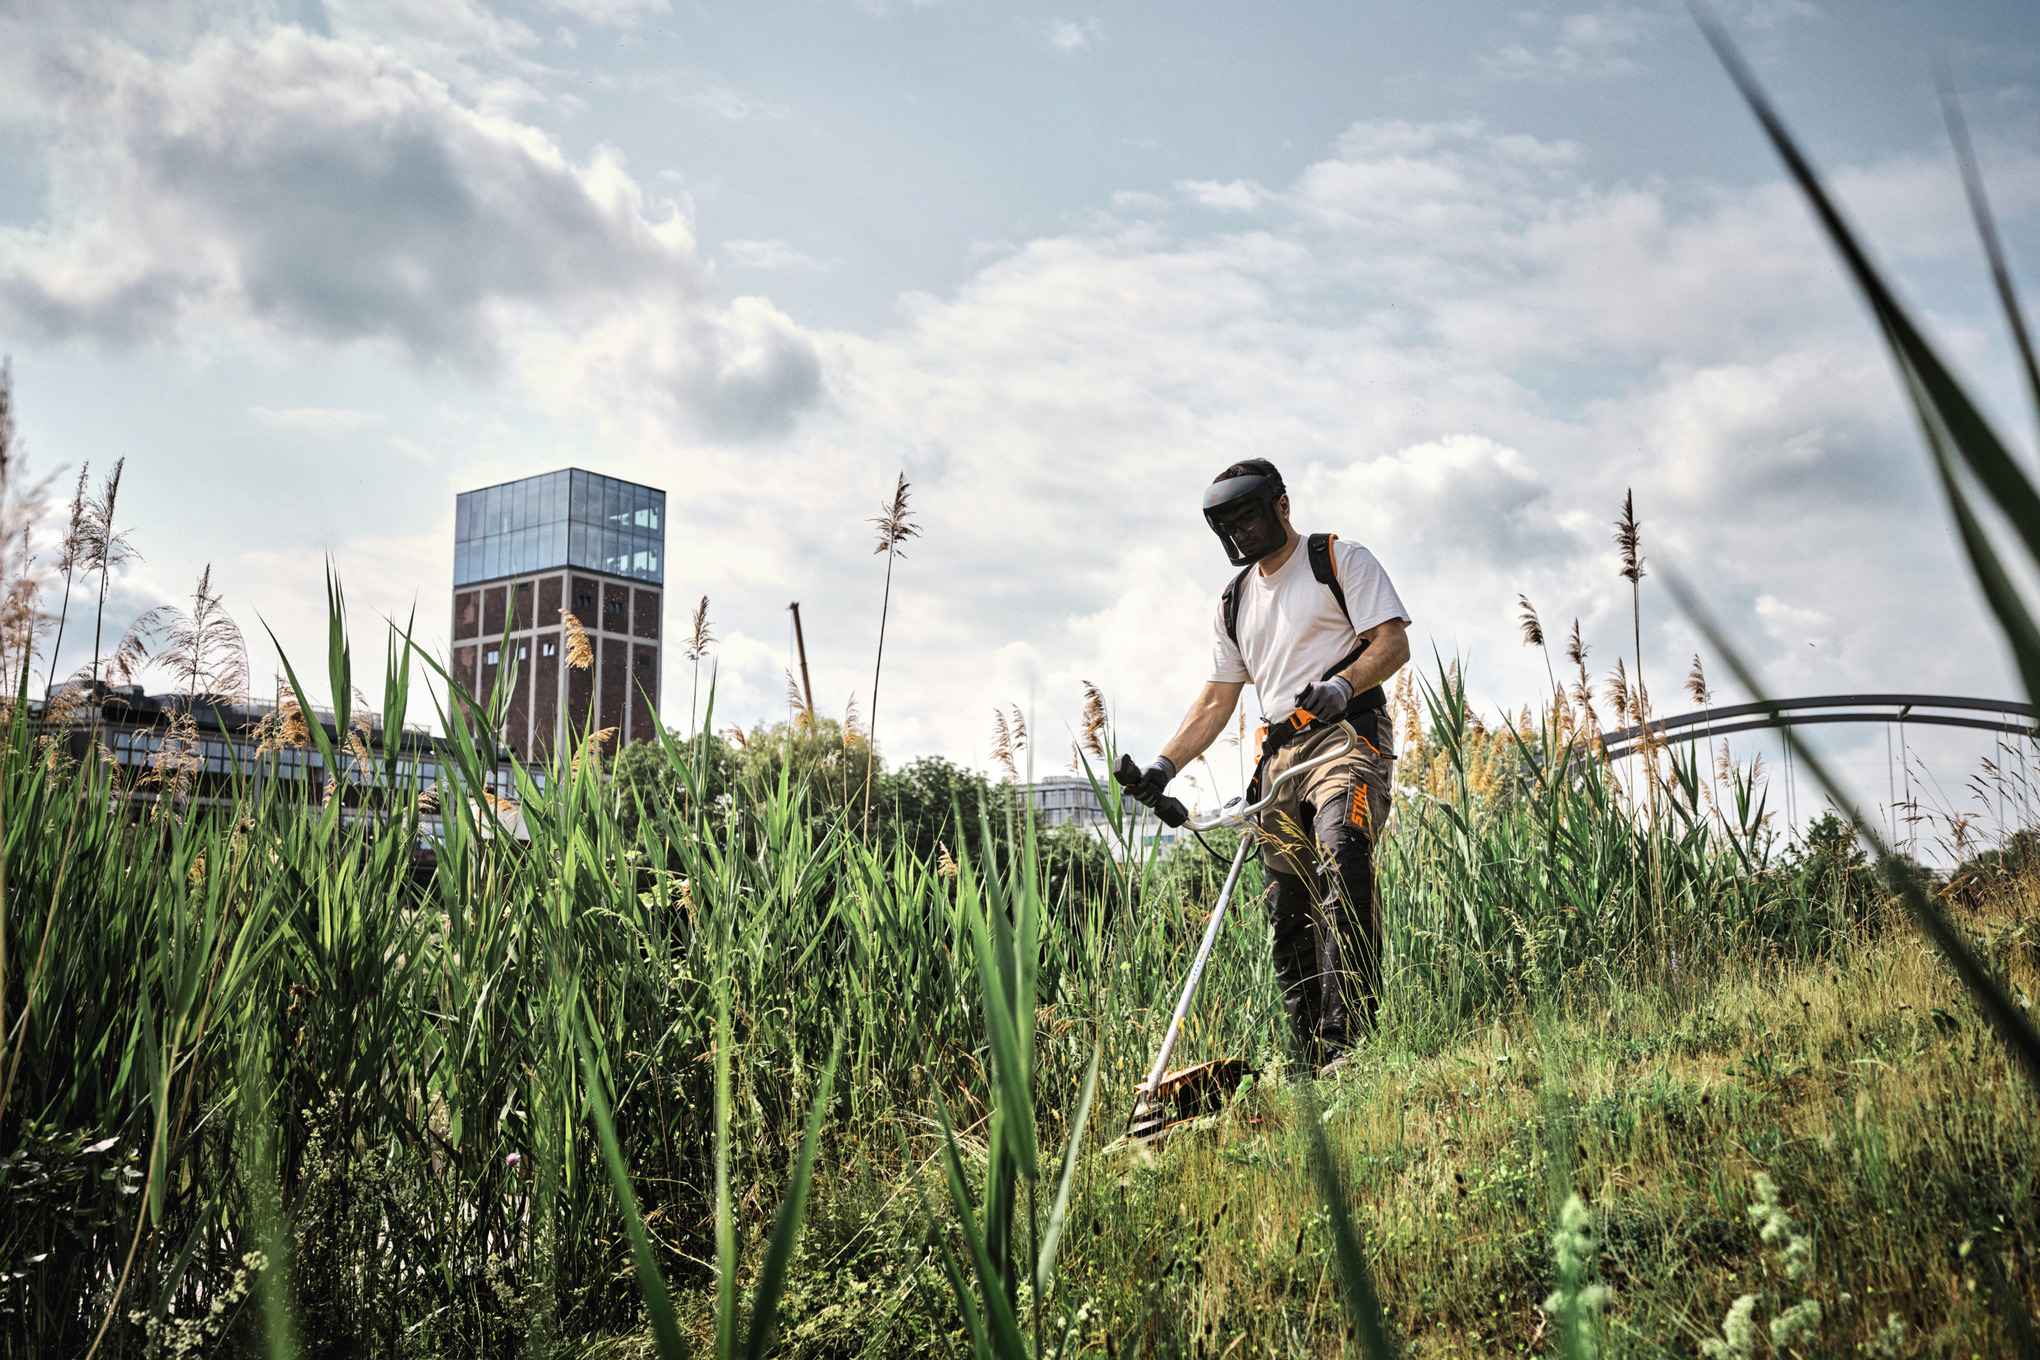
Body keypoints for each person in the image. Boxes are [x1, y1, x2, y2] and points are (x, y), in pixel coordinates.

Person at [1123, 459, 1410, 1079]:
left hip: (1344, 736)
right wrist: (1164, 766)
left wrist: (1343, 682)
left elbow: (1392, 642)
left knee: (1343, 854)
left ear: (1281, 505)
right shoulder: (1233, 601)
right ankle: (1309, 1065)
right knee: (1287, 906)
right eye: (1225, 526)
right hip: (1277, 760)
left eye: (1247, 518)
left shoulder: (1337, 559)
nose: (1239, 534)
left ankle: (1350, 1049)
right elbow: (1216, 700)